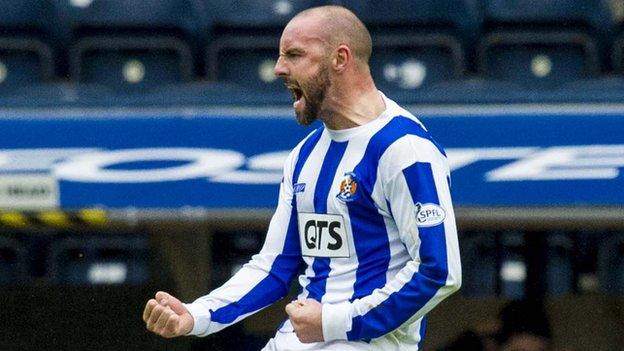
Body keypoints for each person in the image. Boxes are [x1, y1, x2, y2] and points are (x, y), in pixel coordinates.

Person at [142, 5, 461, 350]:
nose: (279, 69)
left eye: (294, 55)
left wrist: (334, 322)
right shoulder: (305, 155)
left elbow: (439, 271)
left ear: (340, 59)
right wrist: (196, 315)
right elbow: (274, 268)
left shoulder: (405, 149)